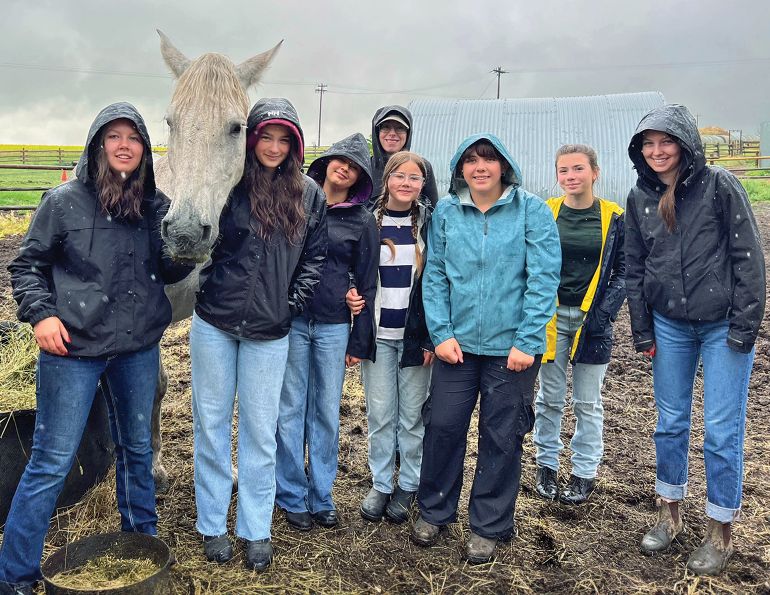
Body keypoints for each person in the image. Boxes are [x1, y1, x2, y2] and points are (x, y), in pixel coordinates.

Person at [0, 103, 194, 595]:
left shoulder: (155, 206)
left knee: (137, 450)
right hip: (73, 350)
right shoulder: (64, 200)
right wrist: (41, 314)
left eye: (134, 137)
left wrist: (187, 251)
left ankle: (140, 550)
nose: (124, 144)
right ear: (97, 145)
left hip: (135, 350)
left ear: (145, 151)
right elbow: (26, 266)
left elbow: (166, 272)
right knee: (51, 459)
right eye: (114, 136)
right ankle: (16, 576)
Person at [625, 104, 765, 575]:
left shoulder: (719, 185)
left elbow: (748, 257)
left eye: (666, 142)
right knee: (670, 422)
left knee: (722, 431)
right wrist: (642, 326)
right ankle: (669, 512)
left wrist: (746, 326)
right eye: (649, 143)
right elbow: (635, 266)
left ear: (685, 145)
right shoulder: (639, 196)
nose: (657, 151)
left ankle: (720, 529)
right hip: (669, 324)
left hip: (722, 323)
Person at [190, 98, 327, 572]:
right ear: (252, 139)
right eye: (265, 136)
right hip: (215, 323)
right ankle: (211, 522)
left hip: (271, 331)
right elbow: (204, 238)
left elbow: (313, 260)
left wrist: (288, 306)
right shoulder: (231, 185)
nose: (273, 146)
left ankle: (255, 526)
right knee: (210, 424)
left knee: (260, 430)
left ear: (295, 144)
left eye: (282, 138)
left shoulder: (310, 195)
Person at [412, 133, 561, 563]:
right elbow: (436, 274)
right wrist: (440, 334)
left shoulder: (530, 210)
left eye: (489, 160)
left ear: (503, 166)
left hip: (510, 350)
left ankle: (489, 525)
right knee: (442, 426)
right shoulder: (446, 212)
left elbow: (543, 278)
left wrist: (527, 341)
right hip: (456, 347)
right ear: (460, 168)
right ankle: (435, 511)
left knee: (501, 435)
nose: (480, 168)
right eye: (472, 161)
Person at [275, 133, 378, 531]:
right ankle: (291, 494)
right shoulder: (298, 202)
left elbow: (367, 282)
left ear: (359, 178)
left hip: (334, 324)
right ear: (326, 162)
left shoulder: (362, 220)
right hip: (295, 320)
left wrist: (359, 336)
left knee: (324, 411)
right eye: (340, 160)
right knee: (290, 409)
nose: (345, 167)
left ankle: (321, 494)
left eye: (353, 166)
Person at [533, 144, 625, 505]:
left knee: (588, 402)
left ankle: (584, 472)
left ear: (595, 172)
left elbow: (623, 271)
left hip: (592, 321)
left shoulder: (614, 217)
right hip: (551, 318)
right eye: (564, 171)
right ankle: (546, 466)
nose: (571, 177)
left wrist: (603, 314)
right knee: (549, 398)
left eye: (578, 169)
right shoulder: (546, 212)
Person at [348, 151, 434, 524]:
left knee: (412, 417)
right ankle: (382, 482)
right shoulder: (370, 221)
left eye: (415, 178)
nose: (406, 183)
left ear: (422, 185)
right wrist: (352, 293)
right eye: (400, 175)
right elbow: (354, 268)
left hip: (414, 336)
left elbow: (437, 282)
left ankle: (409, 484)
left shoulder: (430, 224)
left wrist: (431, 336)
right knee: (381, 414)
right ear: (387, 178)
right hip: (379, 335)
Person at [367, 106, 438, 209]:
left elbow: (433, 210)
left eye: (400, 128)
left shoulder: (422, 167)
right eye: (386, 127)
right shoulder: (365, 167)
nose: (392, 133)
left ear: (408, 134)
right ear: (377, 132)